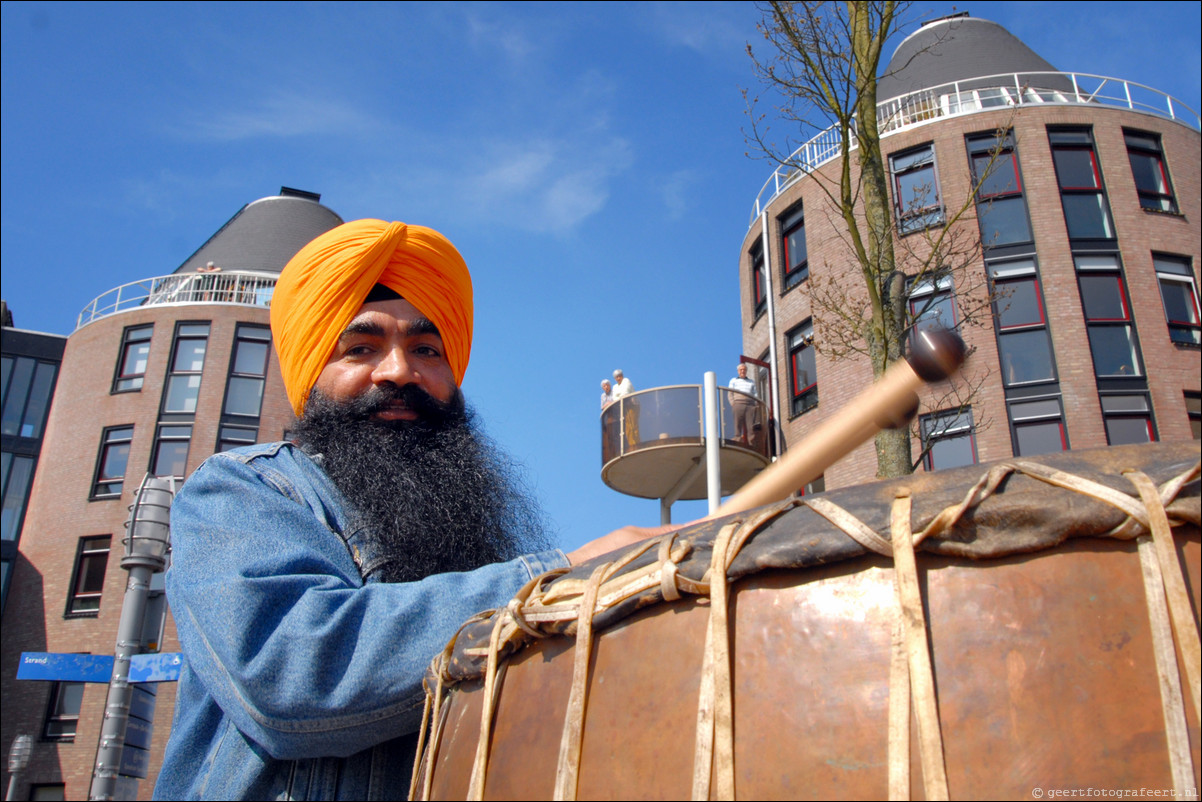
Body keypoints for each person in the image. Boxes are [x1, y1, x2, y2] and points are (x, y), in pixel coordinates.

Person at [155, 220, 670, 801]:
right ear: (310, 371)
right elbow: (291, 679)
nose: (399, 371)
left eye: (426, 349)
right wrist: (558, 577)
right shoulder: (243, 491)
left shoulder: (471, 537)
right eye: (361, 349)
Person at [728, 362, 758, 445]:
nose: (742, 371)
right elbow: (730, 393)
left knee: (750, 425)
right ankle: (737, 439)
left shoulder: (751, 382)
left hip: (750, 404)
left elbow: (755, 393)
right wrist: (733, 404)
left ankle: (751, 442)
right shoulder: (734, 380)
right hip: (738, 403)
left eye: (744, 370)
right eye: (741, 370)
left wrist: (755, 404)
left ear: (746, 371)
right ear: (738, 371)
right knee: (737, 423)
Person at [611, 369, 638, 448]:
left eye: (620, 376)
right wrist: (620, 396)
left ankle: (635, 444)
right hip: (624, 408)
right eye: (617, 377)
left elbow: (625, 393)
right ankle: (631, 445)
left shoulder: (626, 381)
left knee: (633, 426)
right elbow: (614, 398)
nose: (619, 378)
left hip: (632, 406)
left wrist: (619, 396)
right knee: (627, 428)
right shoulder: (615, 386)